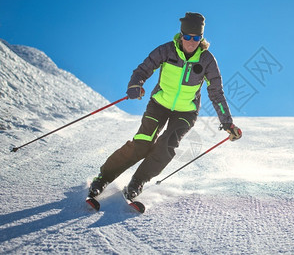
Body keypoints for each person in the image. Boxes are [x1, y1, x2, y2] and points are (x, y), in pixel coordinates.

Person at [89, 12, 242, 200]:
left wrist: (227, 123)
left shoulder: (207, 60)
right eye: (187, 37)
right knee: (143, 143)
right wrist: (135, 84)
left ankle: (137, 182)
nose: (191, 42)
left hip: (186, 111)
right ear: (181, 35)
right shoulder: (167, 50)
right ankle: (103, 178)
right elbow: (144, 69)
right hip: (159, 104)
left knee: (166, 145)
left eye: (196, 38)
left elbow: (216, 93)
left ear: (201, 38)